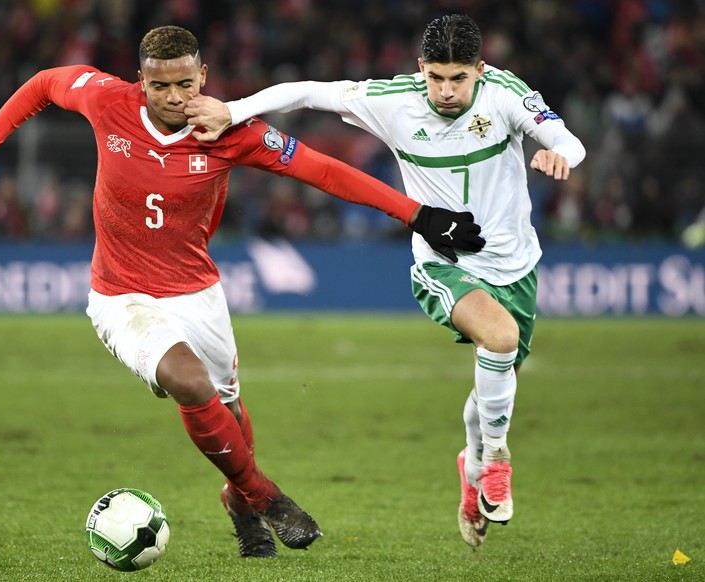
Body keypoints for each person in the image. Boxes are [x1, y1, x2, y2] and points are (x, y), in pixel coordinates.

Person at [0, 25, 484, 558]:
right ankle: (266, 498)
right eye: (160, 87)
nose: (175, 98)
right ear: (141, 81)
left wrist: (418, 215)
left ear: (203, 76)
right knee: (189, 381)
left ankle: (237, 499)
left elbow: (322, 171)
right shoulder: (107, 100)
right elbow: (41, 84)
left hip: (197, 292)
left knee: (228, 410)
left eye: (185, 85)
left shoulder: (230, 131)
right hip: (121, 294)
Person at [185, 14, 586, 547]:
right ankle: (495, 461)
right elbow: (306, 92)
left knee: (498, 371)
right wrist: (233, 110)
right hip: (444, 263)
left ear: (479, 71)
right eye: (435, 77)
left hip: (516, 264)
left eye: (458, 79)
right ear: (421, 68)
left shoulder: (506, 95)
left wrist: (559, 154)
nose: (445, 91)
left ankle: (474, 465)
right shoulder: (392, 100)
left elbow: (570, 141)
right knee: (500, 340)